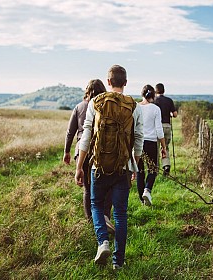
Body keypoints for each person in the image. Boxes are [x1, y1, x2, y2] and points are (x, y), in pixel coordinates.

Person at [75, 65, 144, 270]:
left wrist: (80, 167)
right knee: (120, 214)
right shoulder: (134, 106)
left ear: (108, 82)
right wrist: (134, 166)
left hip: (98, 166)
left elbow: (86, 136)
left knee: (96, 205)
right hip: (123, 167)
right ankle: (118, 262)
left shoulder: (95, 103)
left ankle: (103, 241)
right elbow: (138, 140)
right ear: (125, 82)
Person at [63, 79, 114, 233]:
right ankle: (105, 217)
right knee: (106, 187)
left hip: (82, 151)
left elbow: (70, 132)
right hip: (102, 150)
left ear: (87, 91)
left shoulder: (79, 107)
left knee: (87, 188)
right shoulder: (106, 107)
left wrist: (66, 151)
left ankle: (91, 221)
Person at [137, 85, 166, 206]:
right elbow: (159, 130)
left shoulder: (136, 107)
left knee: (140, 171)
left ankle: (142, 200)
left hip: (138, 142)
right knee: (153, 169)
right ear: (153, 95)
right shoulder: (155, 109)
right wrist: (164, 147)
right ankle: (147, 190)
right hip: (151, 142)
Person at [154, 83, 177, 176]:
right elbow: (175, 114)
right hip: (167, 126)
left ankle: (155, 169)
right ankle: (166, 165)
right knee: (165, 147)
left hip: (156, 127)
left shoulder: (154, 101)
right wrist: (170, 114)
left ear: (155, 91)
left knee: (155, 148)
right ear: (164, 91)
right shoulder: (169, 100)